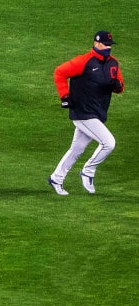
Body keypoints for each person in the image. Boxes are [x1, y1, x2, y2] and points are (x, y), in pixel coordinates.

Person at [48, 31, 124, 196]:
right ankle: (88, 171)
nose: (108, 47)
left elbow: (119, 84)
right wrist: (64, 96)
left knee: (76, 149)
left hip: (98, 112)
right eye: (105, 44)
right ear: (96, 44)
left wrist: (118, 86)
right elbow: (59, 72)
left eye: (110, 45)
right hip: (82, 111)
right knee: (109, 143)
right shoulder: (83, 61)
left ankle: (56, 178)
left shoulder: (113, 63)